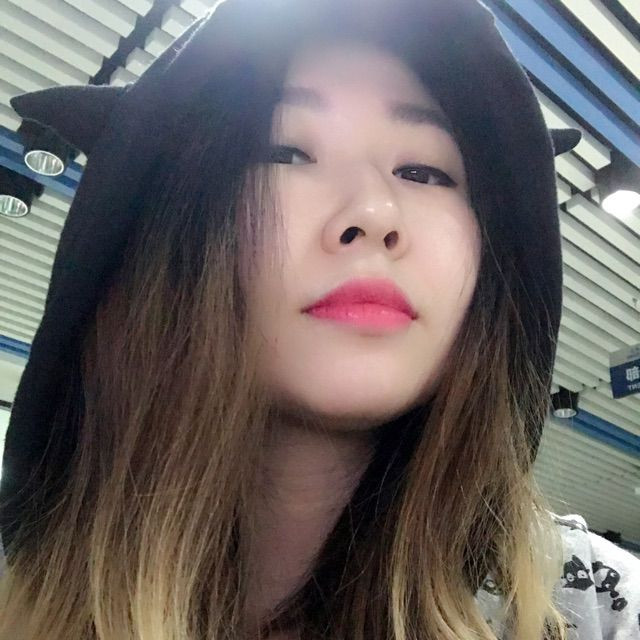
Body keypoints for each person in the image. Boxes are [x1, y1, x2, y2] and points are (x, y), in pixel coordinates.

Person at [0, 0, 638, 639]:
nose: (374, 211)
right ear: (160, 233)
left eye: (424, 171)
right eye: (285, 152)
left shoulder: (595, 609)